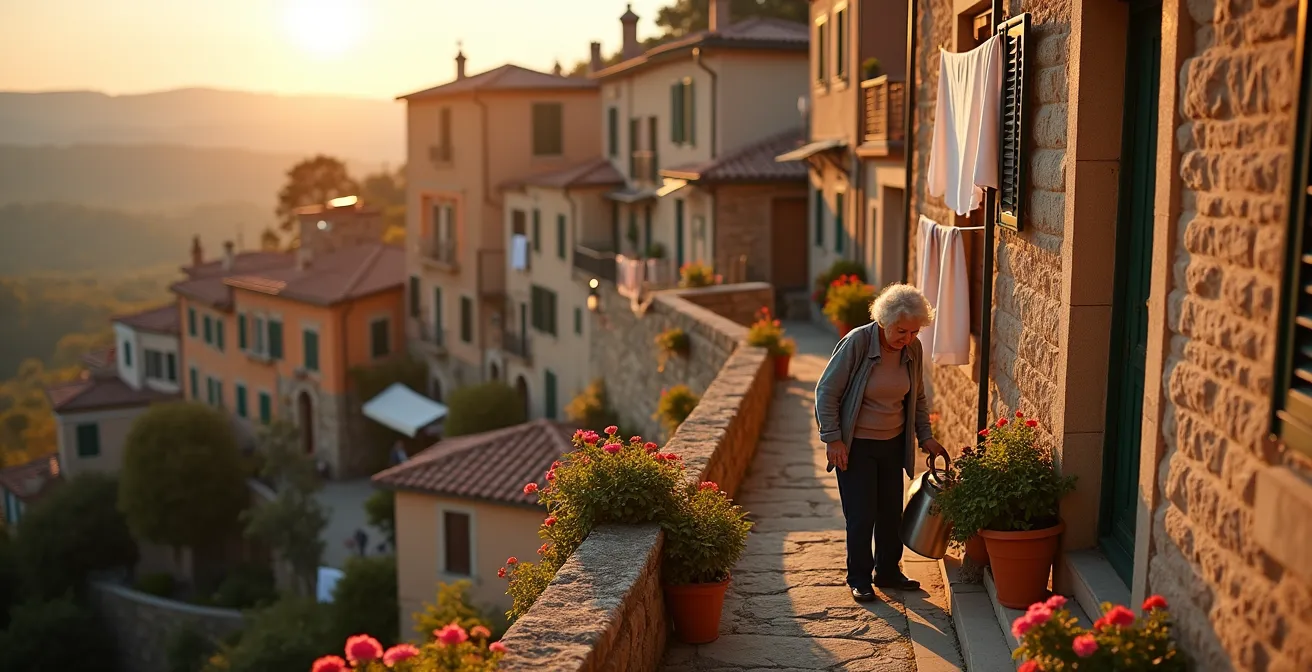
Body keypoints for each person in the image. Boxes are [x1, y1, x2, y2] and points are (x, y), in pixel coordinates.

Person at [815, 283, 949, 603]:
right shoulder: (858, 342)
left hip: (892, 443)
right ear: (883, 321)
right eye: (901, 331)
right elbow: (826, 392)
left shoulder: (912, 350)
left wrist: (925, 436)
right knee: (862, 515)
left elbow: (917, 397)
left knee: (890, 513)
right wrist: (833, 439)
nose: (908, 339)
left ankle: (887, 571)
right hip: (856, 446)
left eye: (914, 332)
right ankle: (859, 578)